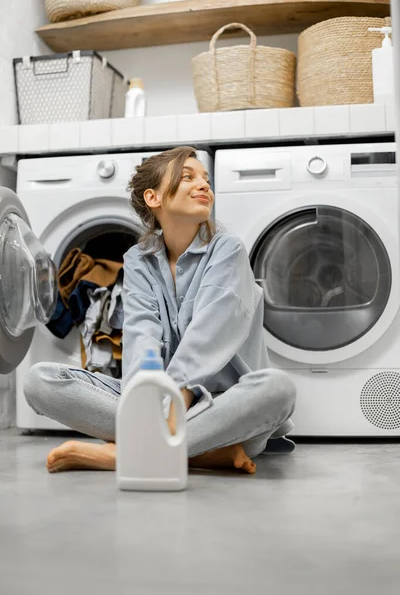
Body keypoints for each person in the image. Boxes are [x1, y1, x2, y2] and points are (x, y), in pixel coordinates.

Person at [23, 146, 296, 475]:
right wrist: (146, 401)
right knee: (40, 381)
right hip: (162, 405)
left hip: (222, 403)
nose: (203, 185)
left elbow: (207, 337)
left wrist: (172, 406)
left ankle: (126, 454)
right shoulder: (138, 260)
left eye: (206, 179)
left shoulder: (228, 249)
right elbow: (142, 335)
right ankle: (196, 452)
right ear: (153, 198)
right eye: (187, 177)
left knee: (277, 390)